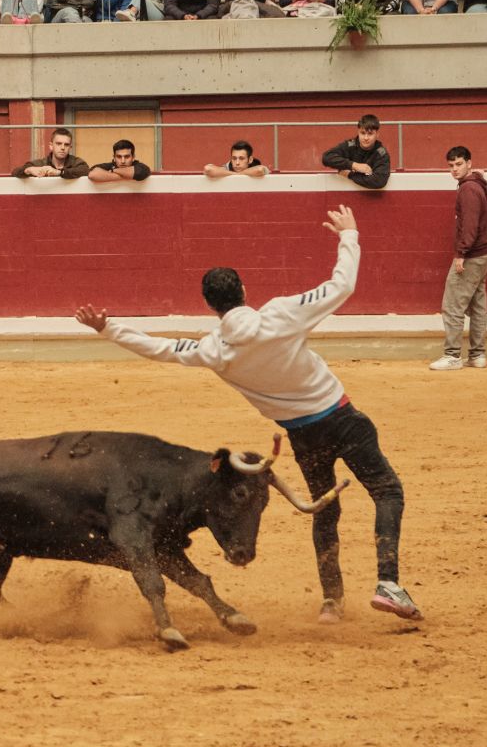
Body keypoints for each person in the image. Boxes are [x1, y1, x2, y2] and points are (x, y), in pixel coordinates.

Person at [75, 206, 424, 623]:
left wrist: (107, 328)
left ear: (209, 305)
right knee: (386, 491)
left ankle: (332, 601)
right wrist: (349, 235)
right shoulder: (281, 314)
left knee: (324, 508)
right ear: (243, 289)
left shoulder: (213, 350)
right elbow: (341, 285)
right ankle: (388, 583)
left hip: (303, 436)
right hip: (344, 419)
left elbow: (159, 348)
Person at [430, 145, 487, 371]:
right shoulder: (476, 185)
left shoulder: (468, 189)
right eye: (451, 165)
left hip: (472, 256)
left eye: (459, 164)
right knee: (477, 306)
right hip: (483, 254)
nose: (454, 169)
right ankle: (477, 355)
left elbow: (470, 225)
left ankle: (452, 355)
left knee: (452, 304)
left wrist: (461, 253)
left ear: (469, 163)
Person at [321, 115, 391, 189]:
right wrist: (354, 165)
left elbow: (379, 181)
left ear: (377, 135)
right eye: (363, 133)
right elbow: (326, 158)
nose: (366, 138)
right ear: (358, 132)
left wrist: (350, 175)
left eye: (370, 134)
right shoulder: (349, 146)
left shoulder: (381, 154)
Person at [12, 126, 88, 178]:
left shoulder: (76, 162)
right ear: (51, 146)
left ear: (70, 147)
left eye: (66, 145)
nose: (62, 148)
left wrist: (59, 172)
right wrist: (29, 170)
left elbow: (85, 170)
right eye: (58, 144)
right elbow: (15, 172)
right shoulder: (41, 163)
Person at [88, 140, 153, 182]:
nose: (123, 161)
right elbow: (92, 174)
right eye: (119, 157)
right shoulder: (109, 165)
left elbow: (140, 173)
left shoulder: (140, 166)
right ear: (114, 157)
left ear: (133, 157)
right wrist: (128, 176)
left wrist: (112, 171)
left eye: (127, 157)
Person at [204, 139, 270, 178]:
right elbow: (208, 169)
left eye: (241, 158)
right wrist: (235, 174)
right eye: (234, 158)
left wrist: (236, 174)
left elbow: (259, 170)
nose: (237, 163)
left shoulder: (256, 165)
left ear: (250, 160)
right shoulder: (228, 167)